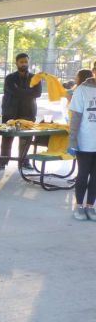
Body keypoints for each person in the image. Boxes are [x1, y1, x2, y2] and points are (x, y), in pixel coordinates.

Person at [0, 52, 41, 168]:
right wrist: (28, 92)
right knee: (7, 137)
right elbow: (13, 91)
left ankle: (23, 161)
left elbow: (37, 93)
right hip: (10, 112)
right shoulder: (9, 78)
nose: (24, 64)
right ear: (16, 63)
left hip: (28, 112)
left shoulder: (35, 78)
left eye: (26, 62)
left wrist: (21, 91)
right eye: (21, 62)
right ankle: (3, 161)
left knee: (26, 138)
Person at [68, 61, 96, 221]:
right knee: (83, 174)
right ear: (93, 71)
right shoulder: (82, 90)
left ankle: (90, 206)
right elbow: (76, 118)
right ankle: (79, 205)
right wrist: (72, 140)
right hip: (85, 142)